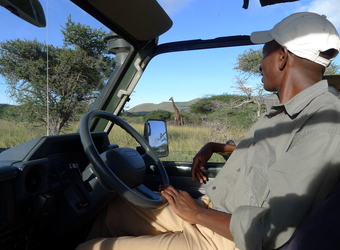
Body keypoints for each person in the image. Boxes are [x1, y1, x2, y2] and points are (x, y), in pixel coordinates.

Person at [77, 12, 340, 250]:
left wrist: (196, 214)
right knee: (114, 210)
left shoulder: (324, 125)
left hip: (228, 237)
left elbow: (270, 229)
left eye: (264, 54)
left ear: (282, 57)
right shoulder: (285, 111)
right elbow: (272, 153)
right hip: (212, 209)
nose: (260, 65)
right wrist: (215, 146)